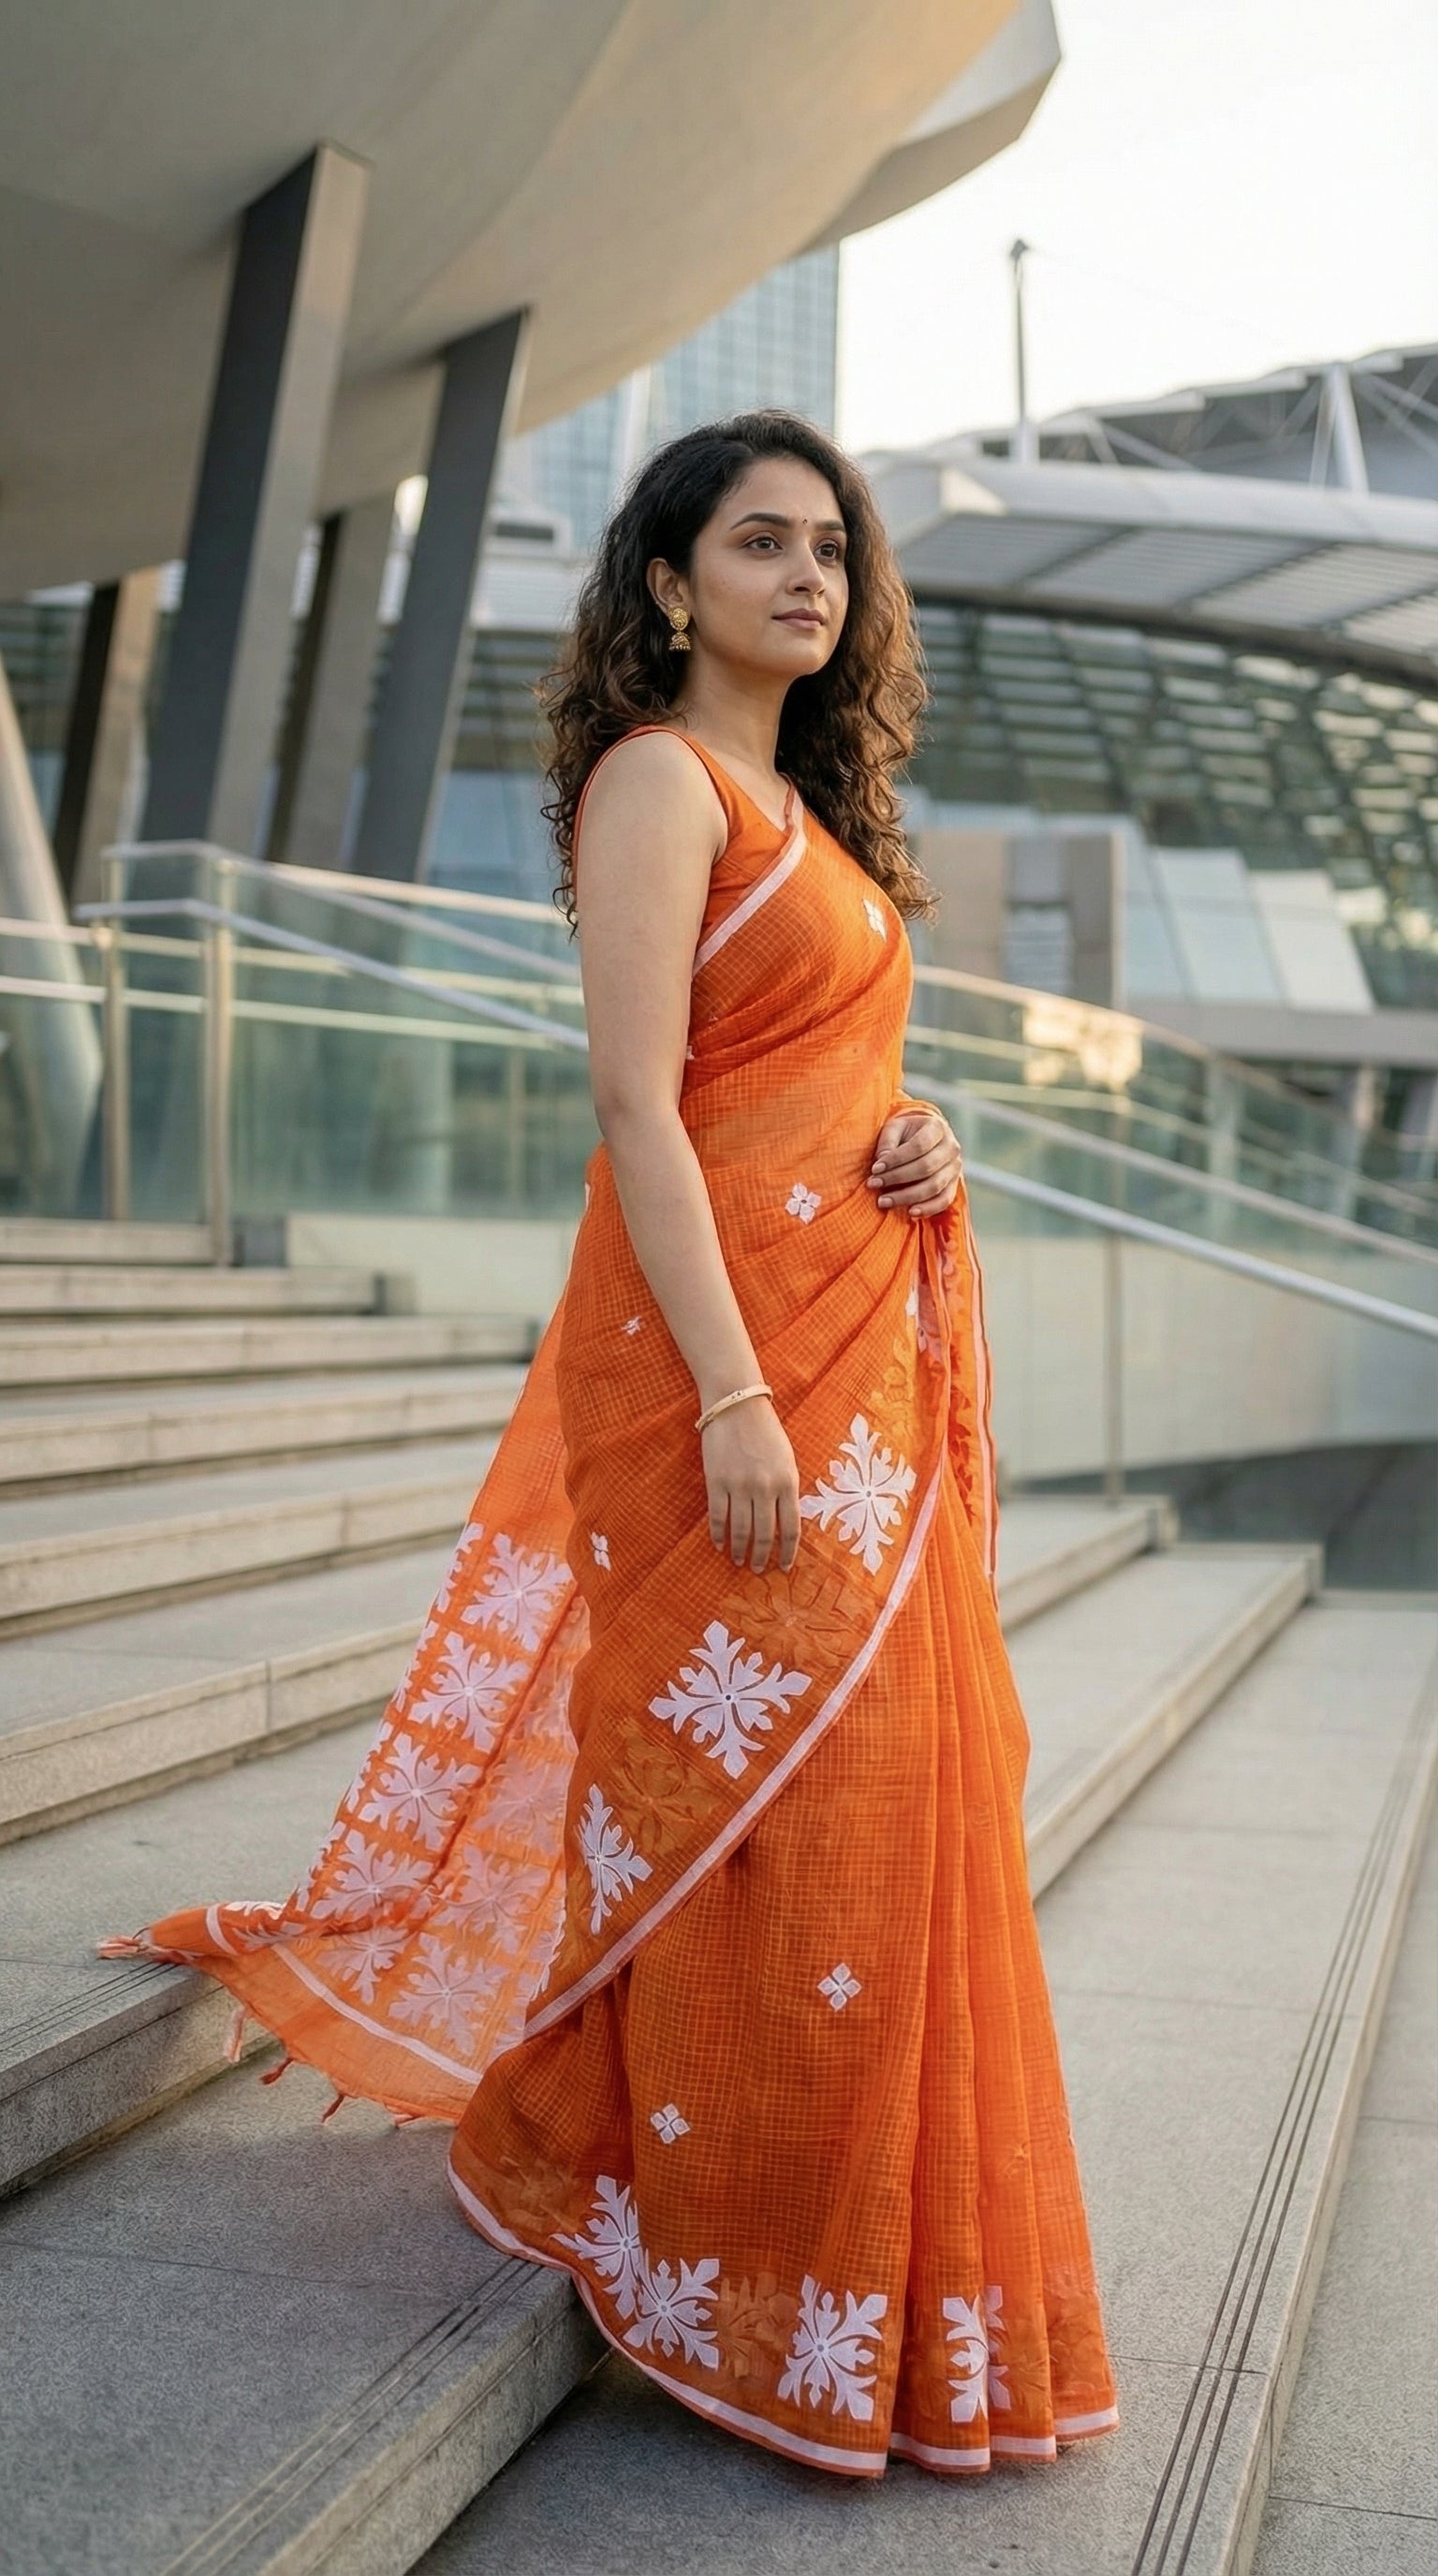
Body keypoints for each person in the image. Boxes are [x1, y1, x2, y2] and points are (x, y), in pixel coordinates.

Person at [101, 411, 1120, 2480]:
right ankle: (712, 2226)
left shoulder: (817, 816)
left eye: (831, 545)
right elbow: (643, 1107)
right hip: (727, 1379)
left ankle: (855, 2280)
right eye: (761, 541)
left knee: (891, 1795)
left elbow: (832, 1081)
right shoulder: (664, 784)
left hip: (872, 1374)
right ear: (670, 582)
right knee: (755, 1793)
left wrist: (931, 1138)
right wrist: (737, 1392)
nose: (808, 575)